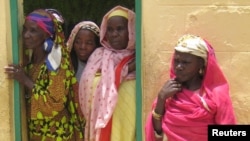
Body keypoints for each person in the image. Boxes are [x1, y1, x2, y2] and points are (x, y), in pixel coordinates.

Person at [4, 9, 84, 140]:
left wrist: (25, 80)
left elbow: (55, 103)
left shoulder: (56, 60)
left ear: (46, 34)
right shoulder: (30, 62)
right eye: (25, 29)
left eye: (33, 31)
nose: (26, 35)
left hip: (57, 134)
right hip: (36, 133)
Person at [145, 34, 237, 141]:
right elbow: (157, 134)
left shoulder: (216, 94)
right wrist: (161, 99)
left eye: (186, 62)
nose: (179, 67)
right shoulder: (169, 92)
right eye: (176, 61)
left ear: (200, 64)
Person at [78, 5, 136, 141]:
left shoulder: (138, 59)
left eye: (120, 29)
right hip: (98, 126)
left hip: (127, 124)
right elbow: (85, 86)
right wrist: (126, 70)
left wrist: (128, 68)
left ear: (131, 30)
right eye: (110, 30)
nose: (114, 34)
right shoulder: (98, 56)